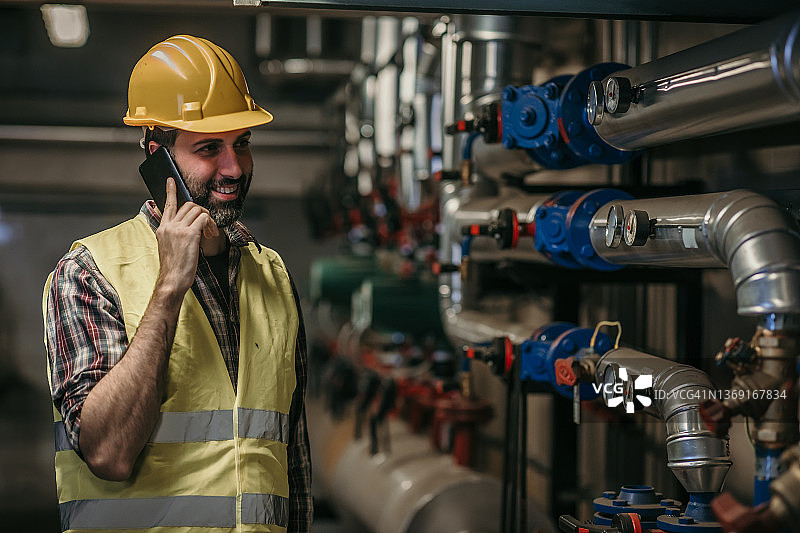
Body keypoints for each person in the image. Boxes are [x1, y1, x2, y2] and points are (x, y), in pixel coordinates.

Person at [43, 35, 312, 532]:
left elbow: (291, 468)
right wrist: (168, 289)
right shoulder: (88, 273)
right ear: (157, 157)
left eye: (242, 144)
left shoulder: (272, 276)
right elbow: (107, 452)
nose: (234, 168)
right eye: (210, 148)